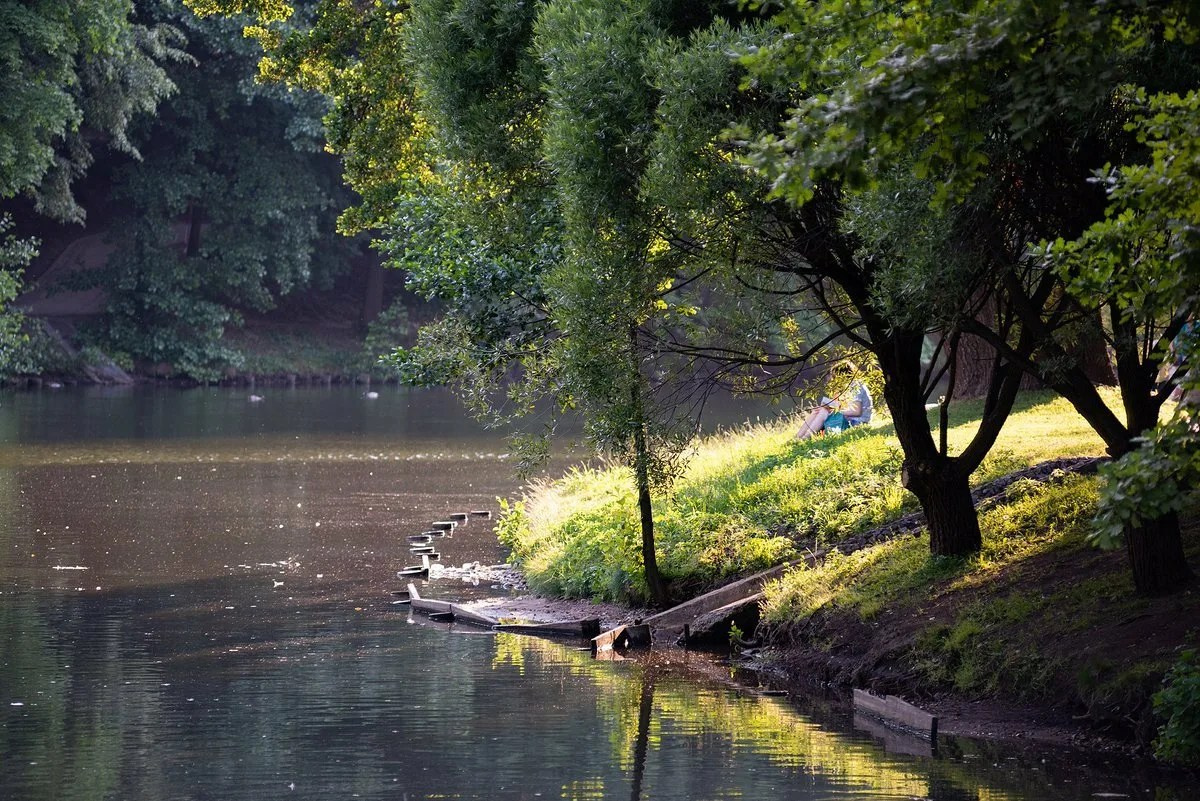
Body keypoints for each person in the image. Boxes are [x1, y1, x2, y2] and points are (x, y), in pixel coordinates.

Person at [794, 362, 873, 440]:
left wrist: (833, 410)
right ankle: (798, 437)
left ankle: (805, 438)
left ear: (841, 375)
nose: (833, 379)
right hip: (850, 419)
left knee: (823, 412)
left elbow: (856, 412)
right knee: (817, 411)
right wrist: (830, 406)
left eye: (835, 377)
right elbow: (843, 406)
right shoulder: (848, 386)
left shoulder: (856, 387)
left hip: (857, 422)